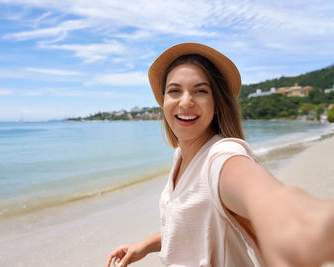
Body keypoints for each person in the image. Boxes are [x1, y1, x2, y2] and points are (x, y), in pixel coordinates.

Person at [106, 42, 334, 267]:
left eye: (201, 91)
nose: (186, 101)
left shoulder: (222, 156)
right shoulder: (181, 156)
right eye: (174, 91)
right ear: (164, 101)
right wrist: (145, 245)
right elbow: (194, 228)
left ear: (217, 104)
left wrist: (302, 224)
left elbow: (268, 198)